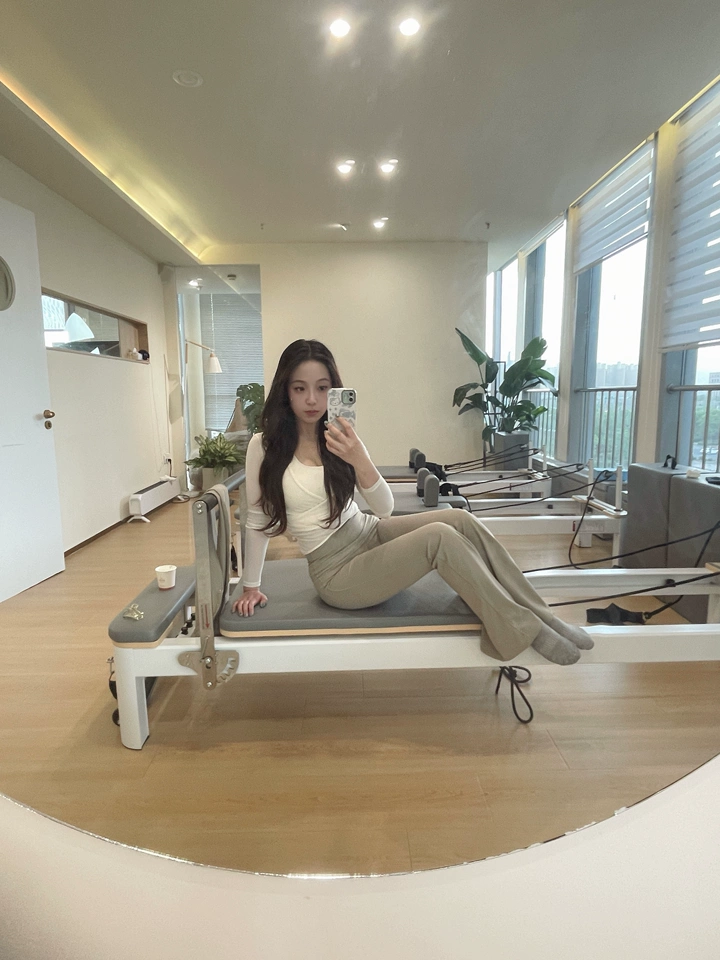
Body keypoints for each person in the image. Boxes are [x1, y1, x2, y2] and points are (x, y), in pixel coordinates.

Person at [232, 339, 593, 664]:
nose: (312, 399)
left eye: (322, 388)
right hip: (335, 571)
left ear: (334, 390)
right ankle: (519, 629)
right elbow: (258, 520)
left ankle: (541, 613)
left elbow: (384, 508)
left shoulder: (340, 436)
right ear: (286, 391)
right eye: (300, 388)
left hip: (368, 531)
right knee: (440, 538)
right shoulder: (264, 447)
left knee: (460, 520)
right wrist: (251, 585)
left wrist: (359, 457)